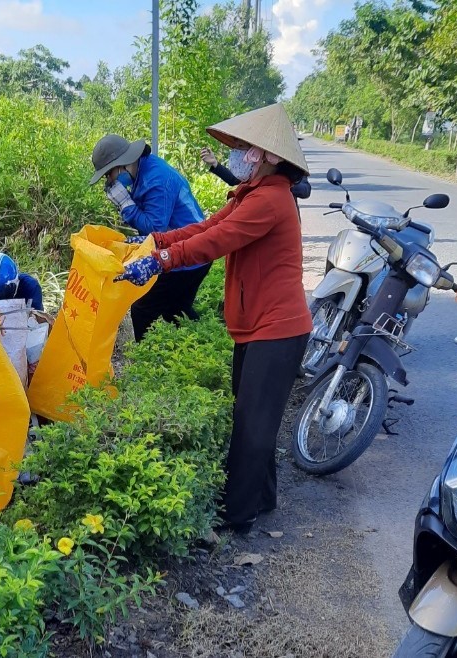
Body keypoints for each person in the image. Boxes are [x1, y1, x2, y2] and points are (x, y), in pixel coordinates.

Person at [116, 103, 313, 535]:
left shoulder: (271, 201)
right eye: (240, 145)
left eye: (246, 147)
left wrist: (161, 260)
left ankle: (236, 515)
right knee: (254, 417)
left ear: (271, 156)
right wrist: (154, 240)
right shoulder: (251, 195)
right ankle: (262, 499)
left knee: (252, 426)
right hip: (259, 325)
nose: (238, 153)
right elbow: (202, 229)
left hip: (277, 329)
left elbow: (217, 242)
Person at [89, 135, 209, 341]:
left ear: (122, 165)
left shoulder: (157, 180)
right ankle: (203, 346)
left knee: (142, 309)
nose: (110, 180)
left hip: (190, 254)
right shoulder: (143, 171)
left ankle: (145, 363)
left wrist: (126, 206)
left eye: (109, 174)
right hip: (189, 248)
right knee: (176, 309)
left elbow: (154, 229)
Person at [201, 146, 311, 200]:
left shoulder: (290, 168)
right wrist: (215, 163)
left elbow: (305, 191)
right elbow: (234, 179)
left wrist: (280, 186)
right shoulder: (253, 177)